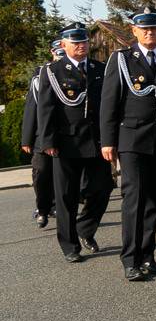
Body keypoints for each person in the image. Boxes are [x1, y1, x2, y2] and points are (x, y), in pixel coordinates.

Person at [100, 7, 156, 281]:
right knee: (133, 199)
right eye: (144, 28)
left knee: (153, 201)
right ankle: (130, 259)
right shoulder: (121, 60)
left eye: (154, 28)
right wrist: (107, 140)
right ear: (134, 31)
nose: (150, 32)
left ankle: (148, 255)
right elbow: (109, 103)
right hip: (131, 139)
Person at [38, 23, 113, 263]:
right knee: (66, 196)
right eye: (76, 42)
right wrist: (47, 140)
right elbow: (46, 108)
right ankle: (70, 245)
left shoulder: (100, 69)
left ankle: (85, 229)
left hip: (96, 141)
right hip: (66, 142)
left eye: (84, 42)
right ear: (64, 45)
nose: (82, 46)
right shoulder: (52, 71)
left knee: (103, 188)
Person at [21, 40, 63, 228]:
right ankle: (42, 209)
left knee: (60, 175)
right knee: (41, 173)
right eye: (58, 52)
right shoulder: (40, 76)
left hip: (64, 136)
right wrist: (27, 138)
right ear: (52, 52)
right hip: (40, 136)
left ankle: (56, 207)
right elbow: (32, 108)